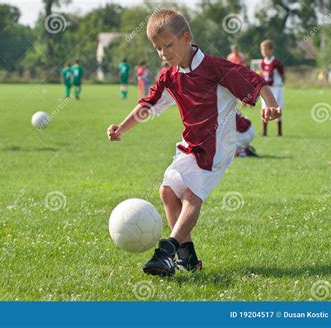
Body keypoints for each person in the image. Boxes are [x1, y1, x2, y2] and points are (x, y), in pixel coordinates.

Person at [107, 9, 281, 276]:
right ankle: (187, 258)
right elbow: (148, 105)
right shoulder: (169, 76)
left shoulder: (215, 67)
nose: (163, 52)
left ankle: (167, 250)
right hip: (190, 145)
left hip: (216, 148)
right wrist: (122, 127)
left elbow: (254, 80)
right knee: (167, 192)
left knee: (190, 196)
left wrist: (270, 104)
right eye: (157, 48)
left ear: (186, 38)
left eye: (168, 45)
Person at [260, 39, 285, 136]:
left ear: (271, 50)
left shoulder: (276, 63)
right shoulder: (262, 62)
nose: (263, 51)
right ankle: (264, 131)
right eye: (262, 49)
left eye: (265, 49)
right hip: (266, 88)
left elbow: (282, 74)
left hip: (276, 88)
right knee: (264, 107)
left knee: (277, 108)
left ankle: (279, 132)